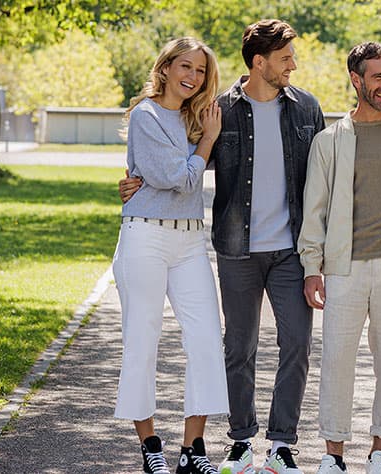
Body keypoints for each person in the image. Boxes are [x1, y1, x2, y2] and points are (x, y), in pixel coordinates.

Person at [122, 19, 326, 474]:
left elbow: (322, 178)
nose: (293, 64)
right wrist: (133, 179)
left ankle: (281, 443)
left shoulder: (307, 108)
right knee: (237, 348)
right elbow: (178, 162)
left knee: (297, 344)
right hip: (237, 248)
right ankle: (239, 441)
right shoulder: (220, 111)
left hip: (291, 250)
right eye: (286, 57)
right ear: (260, 62)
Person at [298, 42, 381, 474]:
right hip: (344, 269)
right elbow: (314, 209)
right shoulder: (329, 141)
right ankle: (333, 455)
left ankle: (380, 450)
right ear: (357, 80)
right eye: (378, 77)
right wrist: (313, 268)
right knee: (337, 360)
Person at [113, 36, 227, 474]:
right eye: (185, 66)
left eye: (200, 71)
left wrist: (205, 144)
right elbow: (176, 178)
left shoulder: (198, 117)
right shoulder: (146, 115)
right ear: (166, 67)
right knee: (142, 340)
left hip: (190, 240)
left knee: (205, 339)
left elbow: (194, 171)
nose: (192, 77)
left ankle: (192, 449)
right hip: (145, 237)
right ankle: (150, 446)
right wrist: (205, 146)